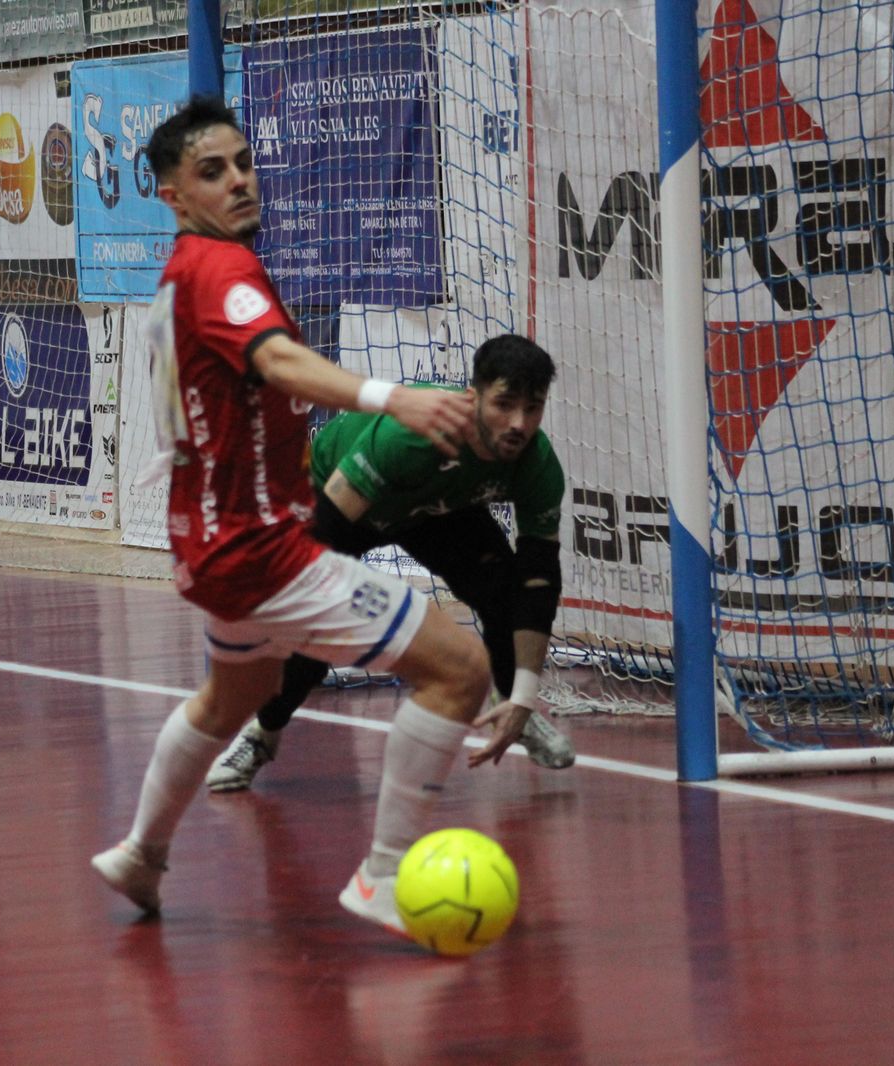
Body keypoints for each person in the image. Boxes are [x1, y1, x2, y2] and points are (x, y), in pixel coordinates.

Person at [91, 97, 528, 933]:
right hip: (258, 551)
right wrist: (391, 398)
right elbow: (278, 361)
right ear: (173, 195)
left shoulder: (182, 271)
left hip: (208, 545)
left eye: (245, 163)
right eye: (212, 172)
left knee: (233, 697)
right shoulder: (220, 271)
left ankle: (140, 855)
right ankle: (385, 877)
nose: (239, 181)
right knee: (459, 666)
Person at [205, 334, 576, 793]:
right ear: (472, 397)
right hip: (350, 502)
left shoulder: (537, 463)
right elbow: (325, 534)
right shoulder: (412, 437)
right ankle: (264, 732)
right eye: (504, 404)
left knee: (507, 591)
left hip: (436, 508)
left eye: (533, 408)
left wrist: (525, 694)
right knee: (313, 628)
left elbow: (540, 583)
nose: (518, 423)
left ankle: (513, 712)